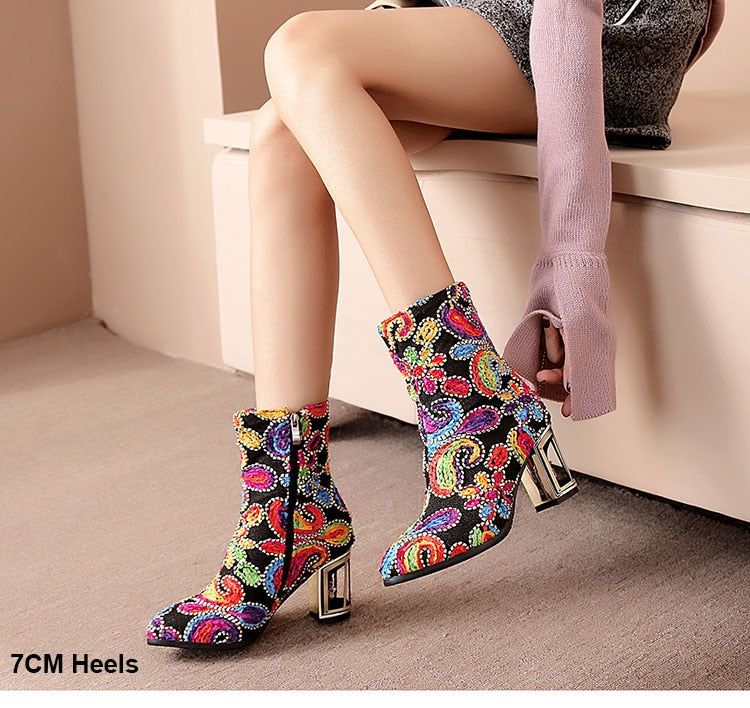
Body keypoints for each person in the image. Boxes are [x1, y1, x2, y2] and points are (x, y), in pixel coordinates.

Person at [146, 0, 725, 649]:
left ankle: (470, 396)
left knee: (301, 46)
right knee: (283, 126)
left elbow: (568, 15)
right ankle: (286, 510)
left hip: (605, 35)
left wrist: (572, 262)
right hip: (489, 20)